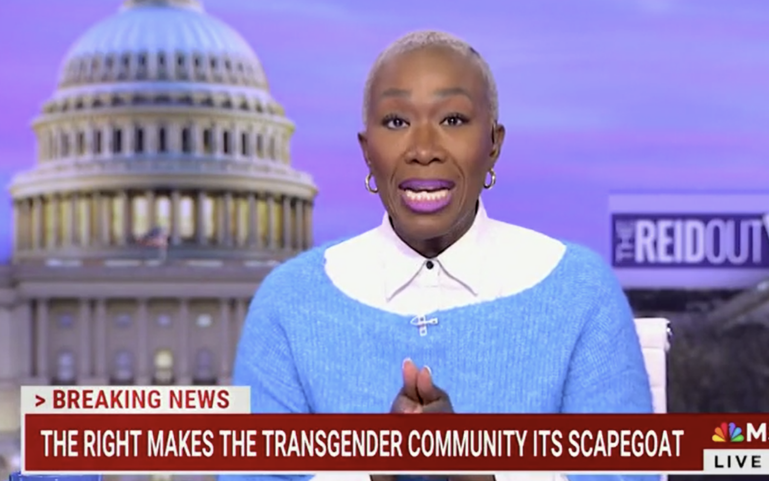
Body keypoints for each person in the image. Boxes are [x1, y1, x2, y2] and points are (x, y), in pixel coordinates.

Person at [228, 30, 654, 481]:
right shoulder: (289, 304)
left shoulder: (580, 294)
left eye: (452, 119)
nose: (424, 150)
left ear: (493, 144)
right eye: (396, 122)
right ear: (366, 150)